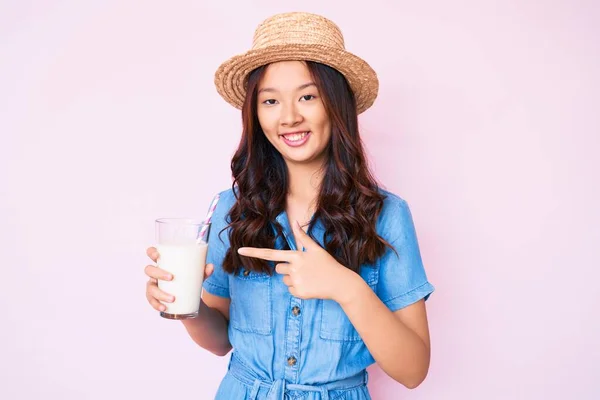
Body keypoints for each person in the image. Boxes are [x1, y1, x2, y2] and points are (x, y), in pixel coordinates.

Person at [144, 11, 435, 400]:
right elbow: (219, 342)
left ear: (336, 105)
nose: (289, 117)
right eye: (270, 100)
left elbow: (413, 370)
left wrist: (346, 287)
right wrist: (186, 303)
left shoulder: (386, 216)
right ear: (255, 113)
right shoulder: (231, 209)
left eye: (308, 96)